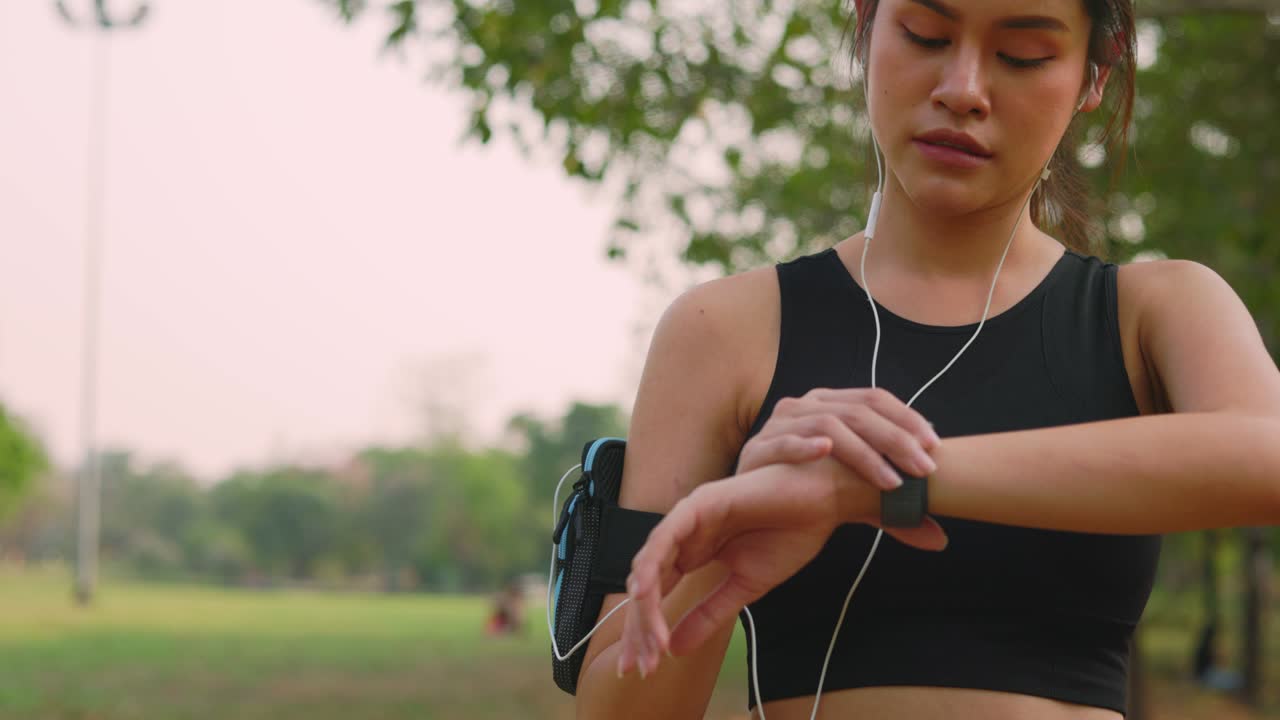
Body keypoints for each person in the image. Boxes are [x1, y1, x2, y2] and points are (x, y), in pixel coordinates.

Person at [571, 0, 1280, 718]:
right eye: (927, 35)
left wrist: (873, 485)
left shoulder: (1153, 311)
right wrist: (727, 535)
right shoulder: (721, 330)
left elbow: (1268, 453)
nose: (963, 89)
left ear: (1094, 76)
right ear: (865, 26)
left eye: (1023, 55)